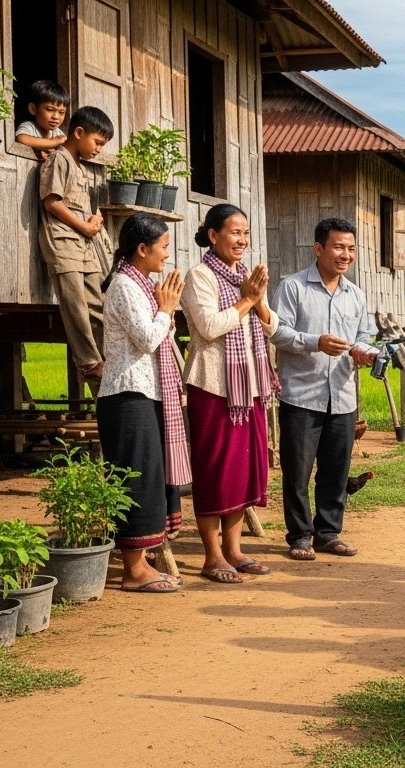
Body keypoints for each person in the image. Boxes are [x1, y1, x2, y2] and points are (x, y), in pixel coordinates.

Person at [271, 217, 379, 561]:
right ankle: (300, 535)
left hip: (342, 396)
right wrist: (314, 342)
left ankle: (328, 533)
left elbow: (365, 337)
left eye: (350, 248)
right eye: (338, 247)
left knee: (335, 470)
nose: (345, 254)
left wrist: (364, 351)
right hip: (302, 395)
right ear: (319, 249)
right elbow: (277, 332)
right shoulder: (293, 287)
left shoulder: (356, 295)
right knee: (298, 471)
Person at [181, 203, 277, 583]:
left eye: (245, 233)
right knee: (215, 470)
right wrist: (247, 300)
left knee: (241, 471)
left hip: (248, 387)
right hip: (214, 387)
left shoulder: (245, 276)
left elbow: (271, 326)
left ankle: (234, 550)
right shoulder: (200, 276)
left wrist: (258, 301)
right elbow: (208, 326)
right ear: (213, 236)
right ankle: (211, 555)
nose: (242, 239)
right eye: (234, 232)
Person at [96, 213, 189, 593]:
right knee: (134, 479)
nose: (167, 254)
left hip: (143, 393)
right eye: (163, 247)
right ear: (142, 249)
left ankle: (142, 562)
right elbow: (149, 338)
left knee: (149, 475)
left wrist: (164, 304)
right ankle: (133, 570)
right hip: (126, 394)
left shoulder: (141, 285)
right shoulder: (123, 286)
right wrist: (166, 309)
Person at [39, 105, 112, 384]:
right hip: (63, 243)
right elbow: (51, 201)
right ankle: (89, 362)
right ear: (79, 132)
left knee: (97, 302)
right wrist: (84, 225)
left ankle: (111, 354)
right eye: (97, 142)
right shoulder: (59, 160)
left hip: (84, 245)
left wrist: (93, 220)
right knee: (75, 305)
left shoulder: (79, 165)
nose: (98, 149)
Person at [14, 79, 69, 160]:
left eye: (61, 112)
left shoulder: (58, 133)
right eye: (50, 109)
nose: (56, 117)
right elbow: (21, 139)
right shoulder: (29, 126)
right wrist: (54, 142)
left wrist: (53, 153)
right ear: (33, 109)